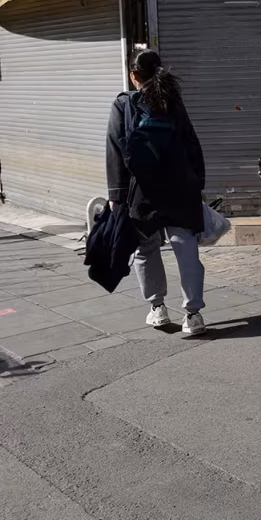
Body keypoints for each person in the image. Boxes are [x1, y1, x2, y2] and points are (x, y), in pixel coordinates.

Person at [106, 49, 208, 335]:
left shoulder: (124, 104)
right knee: (185, 247)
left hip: (142, 190)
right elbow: (191, 142)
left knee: (145, 249)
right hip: (180, 186)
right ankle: (193, 315)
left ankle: (158, 308)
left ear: (134, 75)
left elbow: (115, 149)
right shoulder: (172, 101)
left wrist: (116, 195)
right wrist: (198, 184)